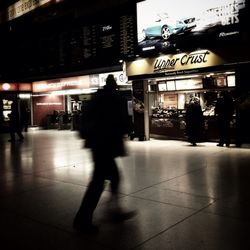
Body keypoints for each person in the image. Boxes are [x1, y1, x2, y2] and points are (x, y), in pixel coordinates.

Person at [73, 74, 134, 233]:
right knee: (98, 182)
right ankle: (82, 220)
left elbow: (86, 119)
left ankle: (114, 209)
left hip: (96, 145)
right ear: (114, 85)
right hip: (106, 145)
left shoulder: (96, 98)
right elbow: (122, 122)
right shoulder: (115, 99)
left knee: (114, 177)